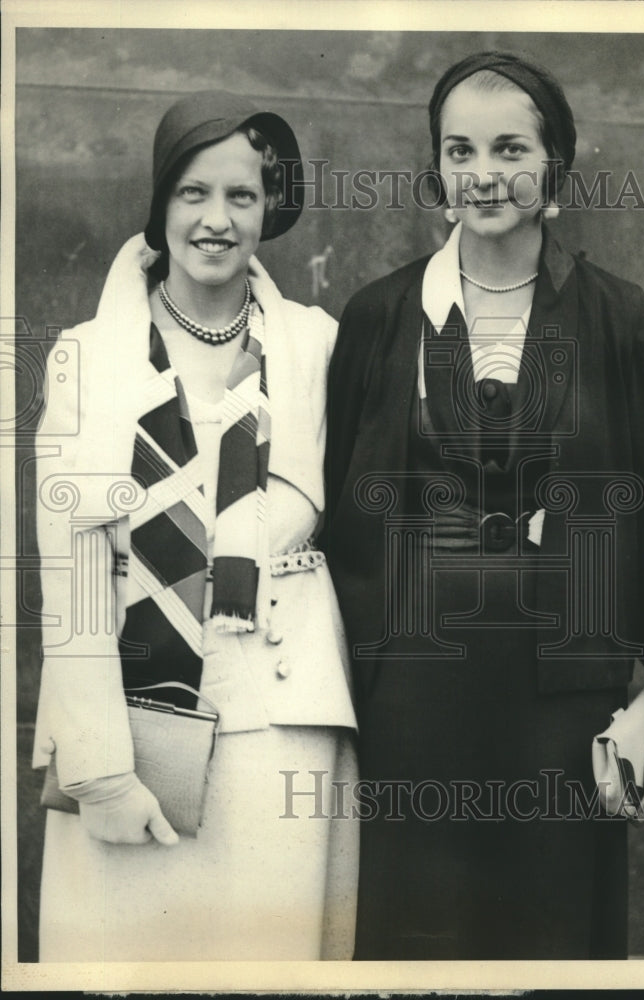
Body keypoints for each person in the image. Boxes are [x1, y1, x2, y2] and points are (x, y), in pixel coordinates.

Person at [322, 51, 644, 960]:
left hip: (563, 700)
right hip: (415, 689)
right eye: (459, 151)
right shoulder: (380, 316)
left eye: (508, 148)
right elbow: (343, 513)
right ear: (438, 169)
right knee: (419, 940)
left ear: (553, 163)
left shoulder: (616, 317)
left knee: (553, 938)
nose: (482, 174)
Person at [33, 90, 358, 962]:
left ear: (269, 210)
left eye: (242, 197)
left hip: (277, 725)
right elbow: (71, 568)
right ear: (159, 206)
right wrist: (100, 770)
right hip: (129, 727)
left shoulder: (317, 346)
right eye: (193, 194)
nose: (217, 220)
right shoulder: (87, 357)